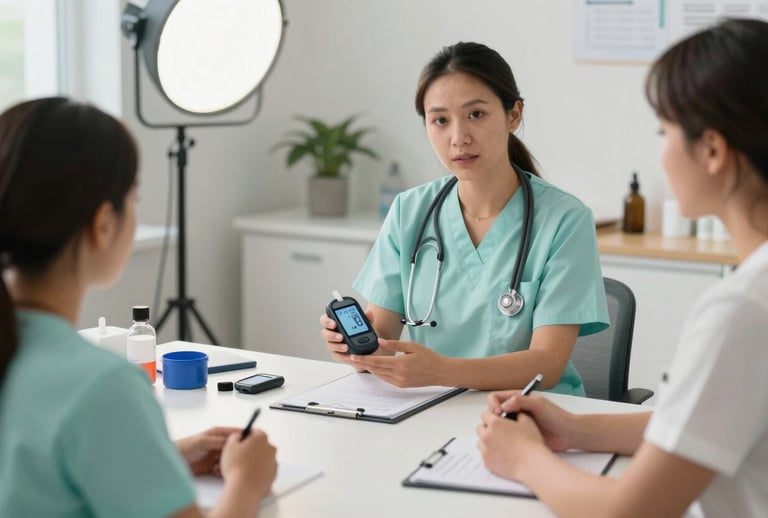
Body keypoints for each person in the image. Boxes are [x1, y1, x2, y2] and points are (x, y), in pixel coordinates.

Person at [477, 18, 768, 517]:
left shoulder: (743, 310)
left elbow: (629, 512)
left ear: (714, 150)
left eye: (665, 131)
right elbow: (696, 425)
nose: (661, 151)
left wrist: (523, 458)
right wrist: (575, 427)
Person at [0, 98, 277, 517]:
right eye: (134, 198)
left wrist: (160, 456)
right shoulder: (98, 386)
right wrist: (247, 481)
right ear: (103, 224)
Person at [320, 42, 609, 394]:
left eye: (476, 114)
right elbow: (382, 338)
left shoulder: (565, 220)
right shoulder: (409, 212)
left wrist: (440, 371)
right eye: (440, 120)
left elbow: (546, 367)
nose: (459, 138)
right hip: (432, 408)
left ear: (513, 115)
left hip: (533, 416)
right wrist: (355, 349)